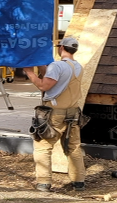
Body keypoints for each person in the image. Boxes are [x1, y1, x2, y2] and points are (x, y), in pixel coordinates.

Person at [23, 36, 86, 192]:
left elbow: (44, 85)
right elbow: (55, 79)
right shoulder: (77, 66)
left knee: (43, 146)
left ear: (61, 48)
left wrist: (29, 72)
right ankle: (79, 182)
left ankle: (43, 182)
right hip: (73, 113)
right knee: (73, 147)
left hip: (55, 113)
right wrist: (43, 67)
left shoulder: (57, 66)